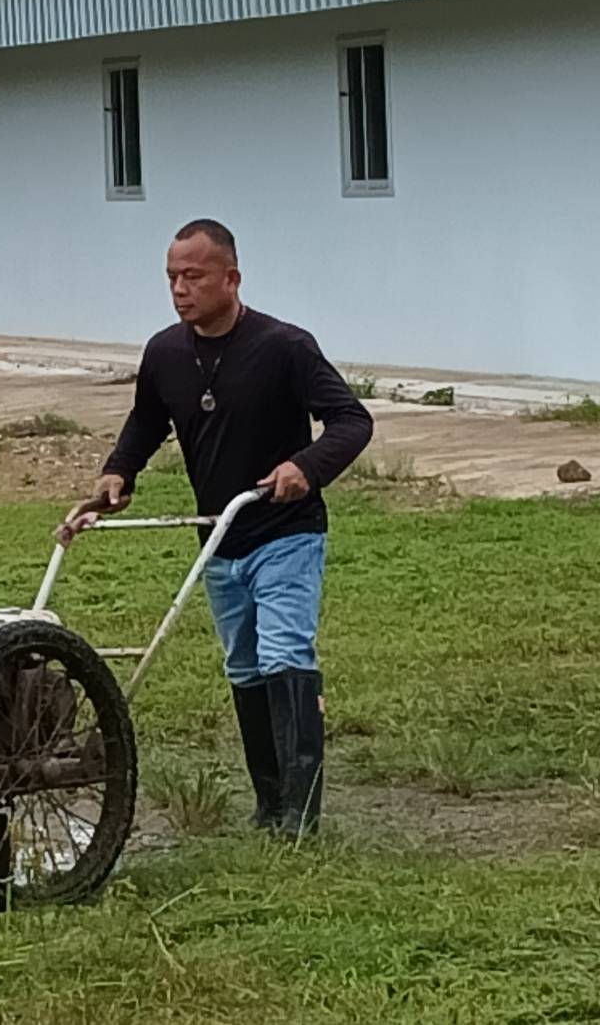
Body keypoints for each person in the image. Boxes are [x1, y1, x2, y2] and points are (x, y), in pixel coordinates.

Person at [59, 219, 373, 838]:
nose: (180, 289)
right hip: (219, 539)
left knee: (284, 654)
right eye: (172, 278)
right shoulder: (165, 353)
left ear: (231, 278)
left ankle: (299, 819)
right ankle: (269, 803)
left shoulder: (285, 347)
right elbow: (146, 421)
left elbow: (351, 421)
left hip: (286, 530)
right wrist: (118, 473)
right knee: (245, 664)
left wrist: (305, 468)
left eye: (193, 276)